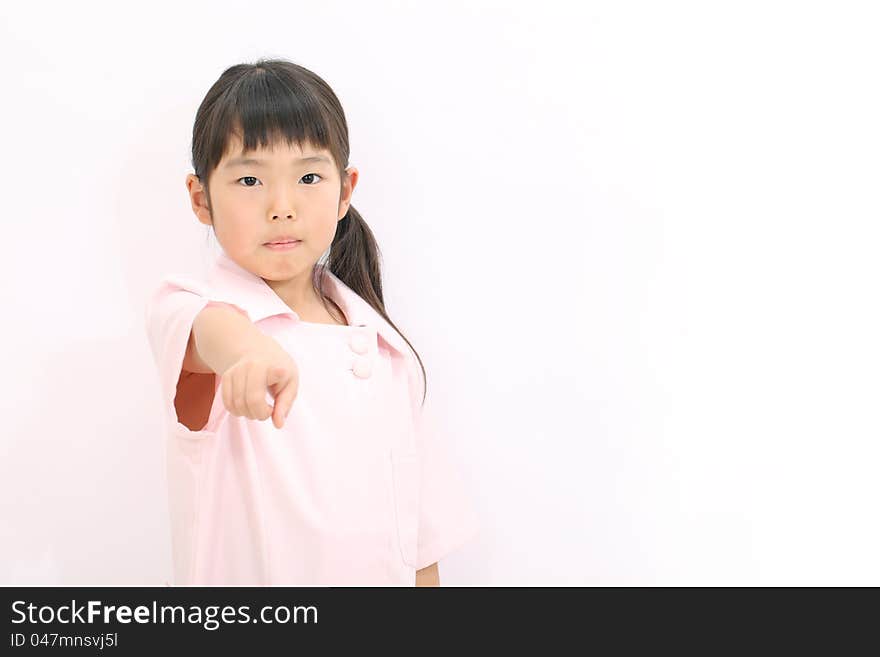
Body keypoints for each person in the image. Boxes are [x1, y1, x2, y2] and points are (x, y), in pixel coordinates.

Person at [143, 58, 481, 586]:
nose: (282, 206)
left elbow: (419, 545)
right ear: (200, 197)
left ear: (345, 191)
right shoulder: (192, 308)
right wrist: (246, 354)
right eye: (250, 179)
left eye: (308, 177)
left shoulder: (386, 350)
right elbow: (210, 333)